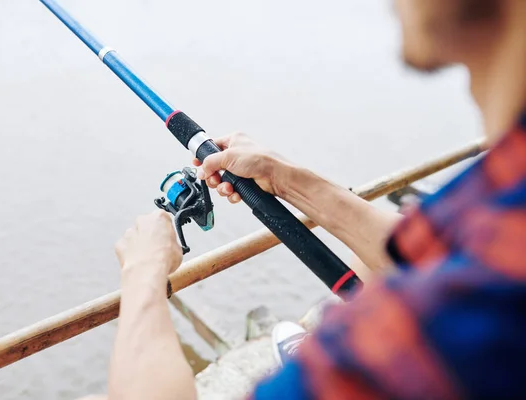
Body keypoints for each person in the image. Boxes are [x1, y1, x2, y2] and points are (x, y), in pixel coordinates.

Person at [89, 0, 526, 398]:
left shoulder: (472, 312)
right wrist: (288, 180)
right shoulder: (504, 190)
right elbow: (428, 253)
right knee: (371, 265)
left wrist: (143, 274)